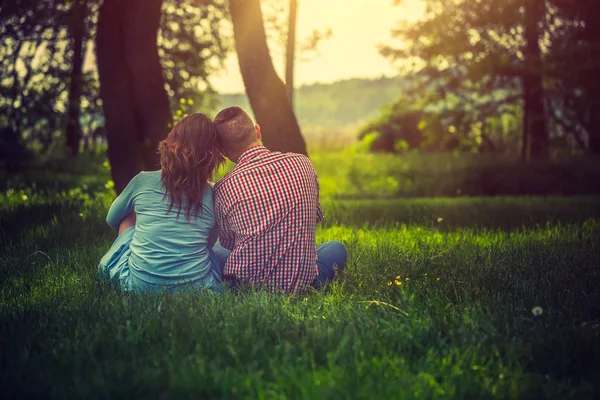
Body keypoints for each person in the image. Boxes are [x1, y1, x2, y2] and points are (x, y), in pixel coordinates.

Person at [212, 107, 347, 293]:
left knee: (216, 249)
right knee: (335, 248)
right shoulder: (303, 164)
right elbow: (312, 218)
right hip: (303, 286)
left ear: (222, 151)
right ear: (257, 131)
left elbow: (229, 243)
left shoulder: (223, 188)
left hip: (244, 288)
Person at [98, 113, 225, 292]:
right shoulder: (212, 194)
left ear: (171, 142)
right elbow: (209, 243)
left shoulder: (142, 181)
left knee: (129, 215)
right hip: (197, 288)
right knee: (213, 250)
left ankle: (145, 266)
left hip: (139, 287)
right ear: (212, 156)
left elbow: (112, 219)